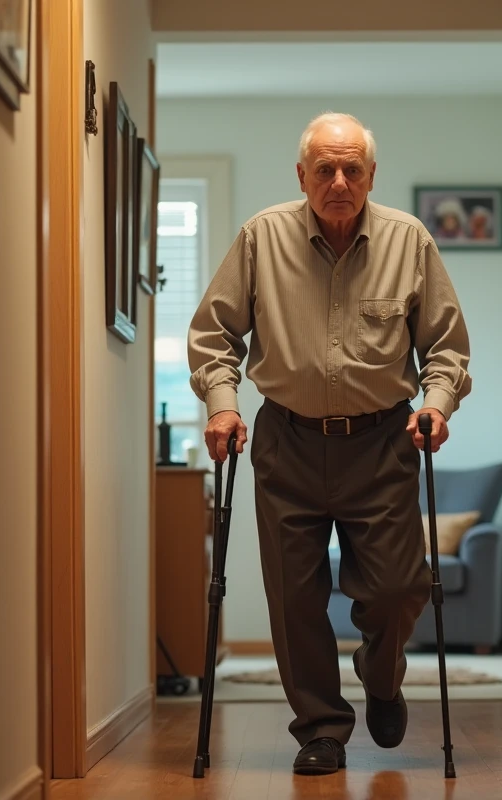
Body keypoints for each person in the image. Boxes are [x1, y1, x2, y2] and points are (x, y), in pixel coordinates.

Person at [187, 111, 472, 776]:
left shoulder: (409, 240)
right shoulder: (261, 238)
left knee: (400, 587)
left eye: (351, 169)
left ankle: (381, 673)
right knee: (294, 598)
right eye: (325, 169)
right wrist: (223, 406)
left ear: (371, 175)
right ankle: (321, 728)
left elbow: (445, 346)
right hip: (286, 440)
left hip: (382, 442)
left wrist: (436, 404)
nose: (338, 181)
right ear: (302, 175)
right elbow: (214, 335)